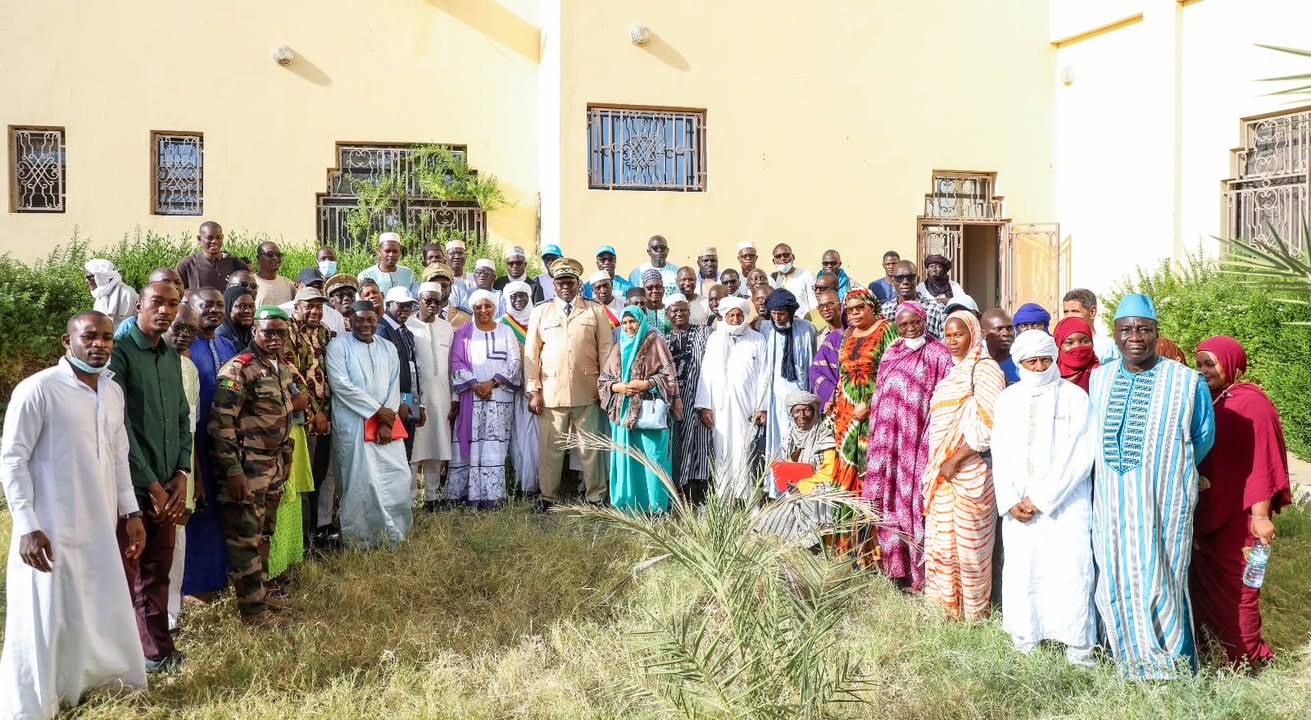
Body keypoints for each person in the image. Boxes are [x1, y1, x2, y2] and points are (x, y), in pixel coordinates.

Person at [0, 312, 148, 716]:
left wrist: (130, 511)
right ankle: (34, 705)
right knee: (46, 613)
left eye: (106, 338)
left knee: (96, 604)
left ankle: (92, 684)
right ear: (68, 342)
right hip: (49, 527)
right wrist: (27, 526)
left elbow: (120, 458)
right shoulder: (39, 390)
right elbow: (12, 460)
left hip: (100, 524)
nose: (99, 344)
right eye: (89, 337)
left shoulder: (113, 392)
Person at [1089, 293, 1215, 680]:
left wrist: (1164, 468)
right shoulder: (1100, 377)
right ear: (1115, 334)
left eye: (1144, 329)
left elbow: (1203, 437)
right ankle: (1125, 658)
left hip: (1162, 503)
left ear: (1156, 333)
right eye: (1126, 329)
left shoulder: (1186, 382)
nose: (1135, 337)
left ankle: (1170, 666)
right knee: (1114, 573)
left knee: (1162, 575)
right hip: (1110, 506)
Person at [991, 330, 1097, 666]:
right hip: (1019, 507)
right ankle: (1025, 641)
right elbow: (1000, 451)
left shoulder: (1074, 398)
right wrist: (1009, 499)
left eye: (1045, 359)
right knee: (1024, 572)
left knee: (1072, 571)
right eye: (1031, 361)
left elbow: (1082, 453)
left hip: (1065, 505)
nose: (1038, 367)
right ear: (1019, 362)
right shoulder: (1008, 399)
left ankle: (1078, 650)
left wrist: (1043, 497)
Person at [1191, 335, 1292, 667]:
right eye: (1200, 363)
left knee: (1242, 591)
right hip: (1208, 514)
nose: (1204, 370)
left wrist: (1260, 515)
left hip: (1241, 518)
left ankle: (1247, 658)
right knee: (1205, 589)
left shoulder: (1253, 403)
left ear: (1231, 364)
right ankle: (1214, 653)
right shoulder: (1207, 398)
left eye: (1211, 363)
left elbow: (1263, 462)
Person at [108, 281, 191, 671]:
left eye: (173, 304)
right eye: (157, 302)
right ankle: (124, 655)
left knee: (159, 569)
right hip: (131, 486)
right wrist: (152, 484)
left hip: (166, 482)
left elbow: (180, 417)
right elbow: (120, 425)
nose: (165, 310)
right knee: (129, 572)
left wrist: (181, 472)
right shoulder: (120, 351)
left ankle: (157, 649)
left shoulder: (169, 355)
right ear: (139, 303)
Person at [209, 307, 297, 627]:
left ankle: (259, 597)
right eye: (268, 332)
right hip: (247, 469)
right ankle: (253, 614)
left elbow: (285, 416)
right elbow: (221, 426)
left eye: (281, 333)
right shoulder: (238, 370)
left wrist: (286, 457)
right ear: (254, 331)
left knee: (264, 535)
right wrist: (233, 472)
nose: (274, 338)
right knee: (246, 539)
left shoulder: (279, 367)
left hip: (272, 466)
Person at [863, 301, 954, 587]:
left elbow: (944, 399)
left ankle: (920, 574)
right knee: (889, 502)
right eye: (904, 324)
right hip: (888, 444)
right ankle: (895, 570)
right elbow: (879, 396)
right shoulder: (891, 353)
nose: (910, 328)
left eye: (915, 322)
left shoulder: (939, 354)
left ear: (924, 320)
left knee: (915, 502)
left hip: (919, 443)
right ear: (897, 327)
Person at [922, 310, 1004, 621]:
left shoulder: (985, 370)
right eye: (948, 335)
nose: (953, 341)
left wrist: (955, 460)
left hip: (970, 473)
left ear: (973, 334)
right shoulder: (952, 373)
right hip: (944, 475)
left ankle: (974, 616)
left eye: (959, 334)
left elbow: (989, 425)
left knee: (970, 550)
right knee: (944, 546)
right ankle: (948, 613)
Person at [524, 258, 615, 510]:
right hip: (551, 391)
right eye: (560, 281)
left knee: (591, 449)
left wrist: (605, 386)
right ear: (553, 284)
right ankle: (547, 497)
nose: (565, 286)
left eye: (570, 281)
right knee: (550, 449)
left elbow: (606, 350)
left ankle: (596, 496)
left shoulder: (595, 311)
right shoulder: (541, 312)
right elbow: (531, 353)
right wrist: (533, 390)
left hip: (588, 391)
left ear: (578, 284)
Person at [326, 301, 414, 547]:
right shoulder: (338, 346)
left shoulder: (388, 347)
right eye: (360, 320)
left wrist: (388, 419)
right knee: (359, 482)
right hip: (354, 423)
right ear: (349, 320)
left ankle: (394, 534)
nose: (366, 324)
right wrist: (378, 412)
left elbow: (394, 385)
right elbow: (342, 385)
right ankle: (360, 540)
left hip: (387, 423)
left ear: (378, 318)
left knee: (396, 476)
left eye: (370, 320)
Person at [180, 288, 236, 600]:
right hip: (195, 438)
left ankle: (220, 573)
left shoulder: (226, 344)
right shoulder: (187, 345)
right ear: (191, 306)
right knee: (198, 508)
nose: (214, 310)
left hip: (224, 438)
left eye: (219, 304)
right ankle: (194, 585)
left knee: (220, 507)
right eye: (207, 304)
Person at [600, 306, 683, 513]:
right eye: (625, 322)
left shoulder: (655, 343)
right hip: (623, 417)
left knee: (653, 459)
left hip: (649, 415)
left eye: (633, 322)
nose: (629, 327)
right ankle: (628, 505)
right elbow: (603, 381)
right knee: (627, 459)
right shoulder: (618, 347)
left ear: (642, 322)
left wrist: (647, 384)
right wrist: (617, 387)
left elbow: (670, 376)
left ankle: (656, 508)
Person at [445, 291, 522, 509]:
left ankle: (491, 497)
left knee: (494, 447)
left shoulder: (506, 331)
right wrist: (475, 385)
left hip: (499, 399)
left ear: (494, 307)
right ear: (472, 308)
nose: (483, 310)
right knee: (470, 446)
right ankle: (465, 495)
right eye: (478, 306)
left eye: (487, 306)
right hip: (472, 397)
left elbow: (515, 362)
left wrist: (492, 383)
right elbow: (456, 361)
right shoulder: (464, 332)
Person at [694, 296, 767, 500]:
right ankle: (723, 499)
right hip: (720, 408)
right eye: (731, 315)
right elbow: (706, 373)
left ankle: (749, 501)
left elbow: (764, 374)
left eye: (739, 315)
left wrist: (762, 407)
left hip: (747, 406)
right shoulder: (715, 339)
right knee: (722, 451)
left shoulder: (757, 339)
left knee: (746, 452)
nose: (735, 319)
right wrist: (705, 406)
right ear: (724, 317)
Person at [828, 289, 897, 496]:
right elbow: (843, 372)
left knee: (870, 466)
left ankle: (869, 527)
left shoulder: (886, 329)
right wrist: (834, 399)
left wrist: (869, 405)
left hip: (875, 411)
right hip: (846, 415)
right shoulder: (848, 333)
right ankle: (847, 526)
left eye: (860, 308)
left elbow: (893, 373)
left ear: (872, 307)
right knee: (845, 467)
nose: (855, 313)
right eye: (850, 310)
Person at [755, 391, 838, 547]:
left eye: (807, 410)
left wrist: (804, 485)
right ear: (790, 414)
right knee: (769, 519)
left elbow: (829, 472)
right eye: (796, 411)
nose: (802, 415)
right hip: (796, 491)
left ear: (814, 411)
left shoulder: (824, 436)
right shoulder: (790, 436)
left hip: (820, 490)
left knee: (813, 503)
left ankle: (814, 543)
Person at [286, 287, 335, 543]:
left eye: (319, 306)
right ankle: (303, 539)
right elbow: (292, 373)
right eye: (310, 306)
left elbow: (331, 371)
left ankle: (317, 531)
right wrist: (314, 412)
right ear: (297, 307)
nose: (315, 311)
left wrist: (325, 413)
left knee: (320, 474)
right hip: (305, 417)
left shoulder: (325, 332)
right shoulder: (288, 330)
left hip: (326, 416)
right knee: (305, 479)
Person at [758, 289, 817, 499]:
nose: (777, 318)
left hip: (801, 399)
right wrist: (763, 406)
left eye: (781, 313)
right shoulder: (766, 330)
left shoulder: (806, 329)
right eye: (773, 313)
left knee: (801, 448)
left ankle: (800, 492)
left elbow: (812, 366)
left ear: (791, 312)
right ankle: (780, 493)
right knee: (780, 446)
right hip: (776, 402)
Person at [162, 306, 200, 630]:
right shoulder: (145, 363)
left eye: (191, 328)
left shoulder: (190, 369)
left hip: (182, 472)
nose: (184, 332)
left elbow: (191, 429)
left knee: (178, 540)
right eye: (179, 326)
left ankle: (171, 614)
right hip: (150, 473)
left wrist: (192, 476)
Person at [409, 281, 456, 510]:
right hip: (417, 399)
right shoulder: (407, 325)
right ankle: (408, 501)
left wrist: (455, 398)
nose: (432, 305)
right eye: (428, 301)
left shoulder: (446, 327)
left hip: (443, 397)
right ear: (418, 299)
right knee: (414, 451)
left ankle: (431, 498)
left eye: (437, 301)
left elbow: (451, 366)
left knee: (437, 448)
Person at [664, 296, 714, 501]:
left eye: (683, 310)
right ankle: (682, 498)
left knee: (702, 448)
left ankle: (703, 499)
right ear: (667, 314)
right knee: (679, 448)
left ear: (689, 310)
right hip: (675, 404)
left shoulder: (705, 332)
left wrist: (707, 402)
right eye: (674, 311)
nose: (679, 314)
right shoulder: (664, 340)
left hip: (702, 400)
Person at [499, 281, 539, 495]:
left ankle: (534, 482)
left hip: (534, 388)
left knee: (534, 435)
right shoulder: (502, 324)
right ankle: (519, 481)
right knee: (516, 436)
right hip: (511, 389)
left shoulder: (538, 319)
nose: (519, 300)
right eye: (514, 296)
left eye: (523, 295)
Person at [375, 286, 425, 458]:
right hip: (393, 403)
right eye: (401, 305)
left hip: (409, 400)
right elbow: (383, 374)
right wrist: (397, 404)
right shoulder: (381, 330)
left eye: (409, 306)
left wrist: (419, 405)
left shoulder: (406, 332)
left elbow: (412, 369)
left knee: (406, 455)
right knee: (393, 457)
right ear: (388, 305)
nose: (405, 309)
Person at [880, 260, 947, 339]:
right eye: (899, 278)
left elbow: (945, 344)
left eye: (910, 277)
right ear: (892, 281)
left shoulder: (937, 310)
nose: (905, 282)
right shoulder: (884, 312)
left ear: (917, 280)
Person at [176, 220, 249, 289]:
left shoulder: (237, 264)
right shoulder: (187, 265)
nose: (214, 241)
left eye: (218, 238)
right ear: (199, 239)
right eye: (209, 238)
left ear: (222, 238)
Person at [279, 268, 346, 336]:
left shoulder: (335, 316)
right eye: (310, 286)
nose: (314, 290)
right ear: (297, 286)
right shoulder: (281, 312)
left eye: (319, 286)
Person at [1061, 288, 1120, 364]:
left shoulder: (1106, 347)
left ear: (1092, 312)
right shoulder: (1061, 345)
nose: (1069, 317)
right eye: (1066, 312)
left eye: (1075, 311)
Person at [808, 294, 845, 408]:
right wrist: (833, 393)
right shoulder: (823, 338)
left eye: (829, 304)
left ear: (840, 305)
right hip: (834, 403)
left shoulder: (857, 334)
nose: (825, 309)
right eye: (821, 306)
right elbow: (815, 371)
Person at [417, 263, 472, 328]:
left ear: (451, 288)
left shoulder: (464, 317)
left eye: (445, 285)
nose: (440, 289)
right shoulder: (415, 316)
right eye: (435, 285)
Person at [769, 243, 817, 316]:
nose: (782, 258)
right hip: (780, 323)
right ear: (774, 261)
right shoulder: (771, 280)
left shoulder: (807, 276)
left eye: (786, 255)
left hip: (804, 323)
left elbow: (814, 305)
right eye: (778, 256)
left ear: (793, 257)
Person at [85, 258, 138, 324]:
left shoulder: (126, 294)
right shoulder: (102, 295)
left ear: (101, 276)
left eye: (88, 277)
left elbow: (125, 325)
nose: (86, 281)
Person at [1053, 316, 1098, 393]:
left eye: (1085, 341)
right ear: (1058, 345)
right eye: (1069, 343)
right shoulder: (1048, 376)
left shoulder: (1100, 375)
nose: (1078, 348)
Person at [494, 245, 544, 311]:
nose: (515, 266)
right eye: (511, 263)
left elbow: (538, 313)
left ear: (525, 264)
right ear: (507, 265)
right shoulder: (498, 283)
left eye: (518, 263)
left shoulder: (535, 287)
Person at [981, 308, 1019, 385]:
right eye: (999, 329)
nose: (1006, 333)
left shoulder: (1022, 363)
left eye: (1010, 328)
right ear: (983, 333)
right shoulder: (975, 365)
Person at [252, 241, 295, 307]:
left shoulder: (288, 284)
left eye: (278, 255)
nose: (275, 258)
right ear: (258, 258)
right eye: (270, 254)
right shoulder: (252, 282)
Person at [642, 269, 673, 334]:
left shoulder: (671, 309)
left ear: (663, 289)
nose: (655, 290)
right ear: (643, 290)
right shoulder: (641, 311)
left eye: (658, 287)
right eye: (650, 288)